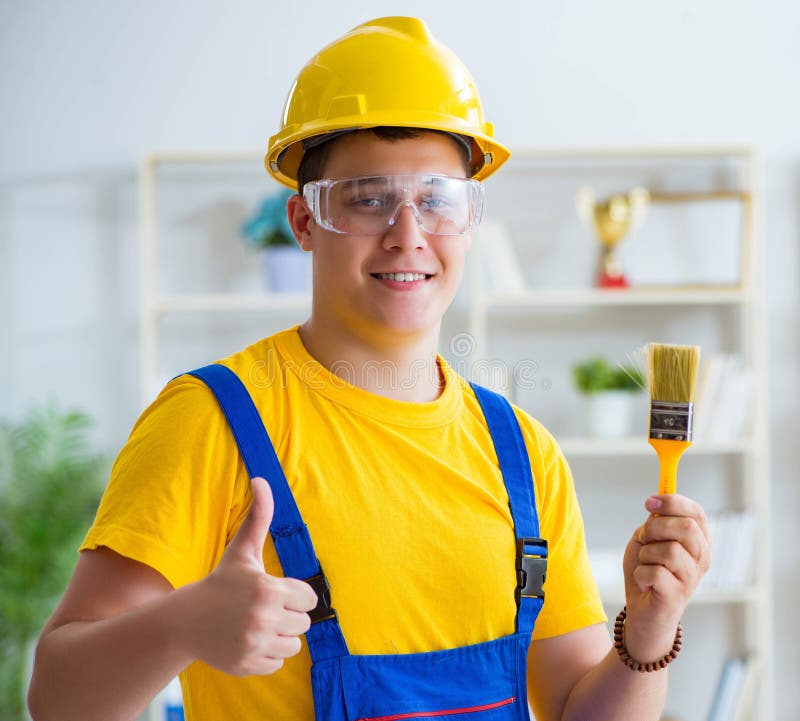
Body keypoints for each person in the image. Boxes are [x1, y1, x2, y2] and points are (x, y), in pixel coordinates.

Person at [28, 16, 710, 721]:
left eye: (438, 201)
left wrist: (649, 631)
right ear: (302, 221)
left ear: (470, 222)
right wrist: (183, 624)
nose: (408, 236)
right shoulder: (210, 421)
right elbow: (55, 698)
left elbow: (576, 707)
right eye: (368, 200)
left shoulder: (524, 456)